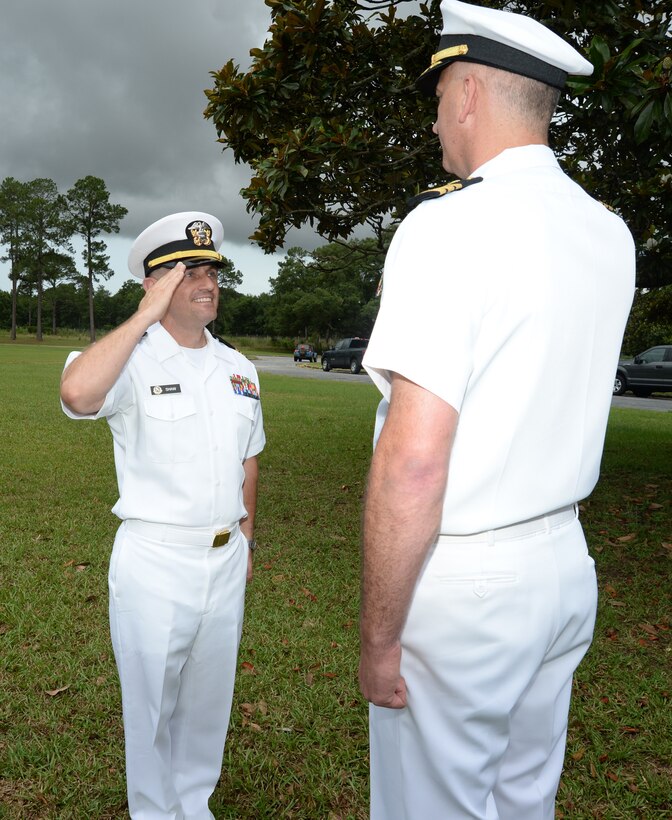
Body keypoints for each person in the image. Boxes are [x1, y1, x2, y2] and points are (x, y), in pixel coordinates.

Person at [358, 2, 636, 818]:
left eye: (440, 93)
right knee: (523, 799)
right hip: (562, 568)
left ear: (470, 92)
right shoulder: (607, 232)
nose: (438, 115)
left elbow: (413, 460)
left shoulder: (449, 226)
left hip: (466, 581)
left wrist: (379, 636)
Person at [60, 212, 265, 819]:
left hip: (225, 559)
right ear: (155, 283)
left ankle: (192, 805)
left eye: (212, 272)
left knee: (206, 707)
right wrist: (146, 317)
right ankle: (153, 812)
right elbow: (77, 394)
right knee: (150, 707)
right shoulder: (132, 359)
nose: (207, 283)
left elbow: (248, 462)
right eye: (189, 272)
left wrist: (247, 541)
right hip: (156, 560)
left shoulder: (240, 369)